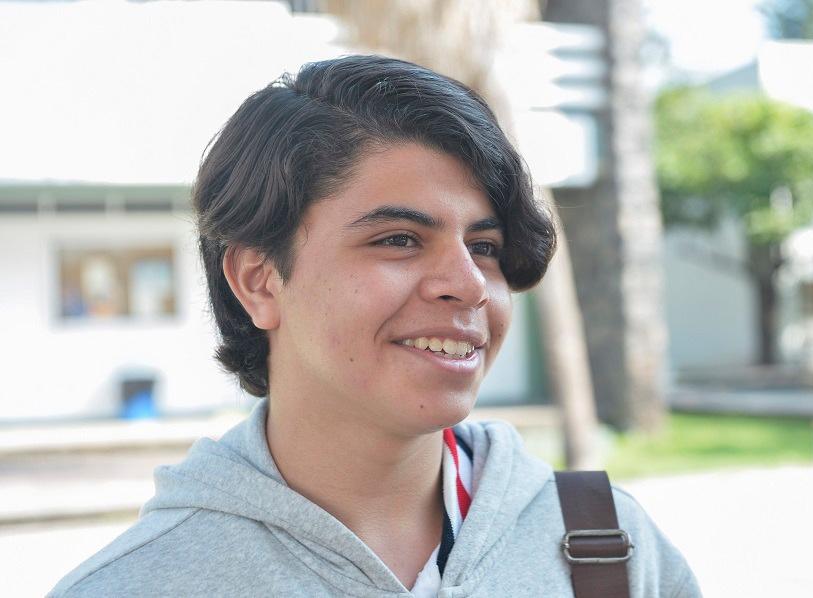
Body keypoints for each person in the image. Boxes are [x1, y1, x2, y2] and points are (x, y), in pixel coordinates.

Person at [50, 54, 701, 597]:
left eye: (485, 247)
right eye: (398, 239)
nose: (469, 283)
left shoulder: (609, 550)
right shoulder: (136, 584)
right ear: (259, 280)